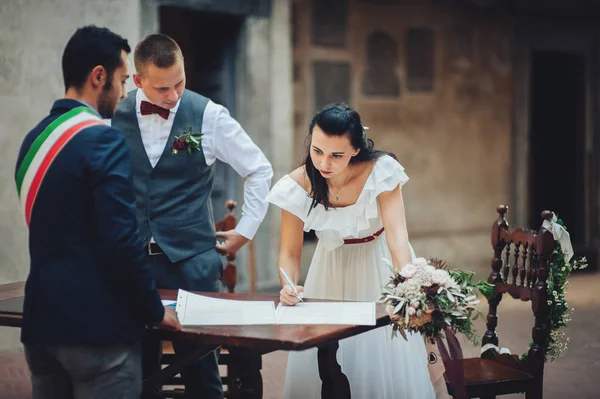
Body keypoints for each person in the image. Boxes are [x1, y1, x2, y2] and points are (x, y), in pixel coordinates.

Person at [14, 25, 181, 399]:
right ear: (98, 76)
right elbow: (121, 241)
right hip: (95, 329)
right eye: (123, 81)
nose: (125, 93)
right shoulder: (103, 139)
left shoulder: (34, 139)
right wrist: (154, 311)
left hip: (41, 324)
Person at [111, 34, 273, 398]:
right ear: (137, 81)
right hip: (130, 265)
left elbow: (260, 169)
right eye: (162, 88)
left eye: (180, 82)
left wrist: (245, 230)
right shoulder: (112, 114)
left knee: (202, 377)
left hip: (193, 266)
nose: (174, 96)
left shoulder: (209, 115)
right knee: (135, 377)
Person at [266, 103, 436, 398]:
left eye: (336, 155)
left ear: (356, 150)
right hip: (328, 270)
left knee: (381, 353)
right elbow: (290, 254)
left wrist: (409, 287)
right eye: (317, 150)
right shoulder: (296, 185)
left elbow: (397, 238)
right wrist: (288, 285)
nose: (324, 163)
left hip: (377, 264)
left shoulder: (381, 171)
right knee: (327, 356)